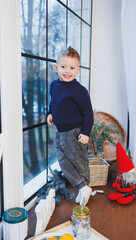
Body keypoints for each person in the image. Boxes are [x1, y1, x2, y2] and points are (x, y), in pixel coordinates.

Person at [47, 46, 94, 206]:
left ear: (78, 70)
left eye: (72, 68)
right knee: (62, 161)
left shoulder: (80, 91)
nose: (67, 71)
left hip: (75, 132)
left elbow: (88, 112)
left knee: (78, 160)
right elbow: (53, 101)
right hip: (60, 132)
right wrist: (50, 113)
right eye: (63, 67)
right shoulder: (54, 85)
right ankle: (82, 187)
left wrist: (86, 131)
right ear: (56, 67)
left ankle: (85, 186)